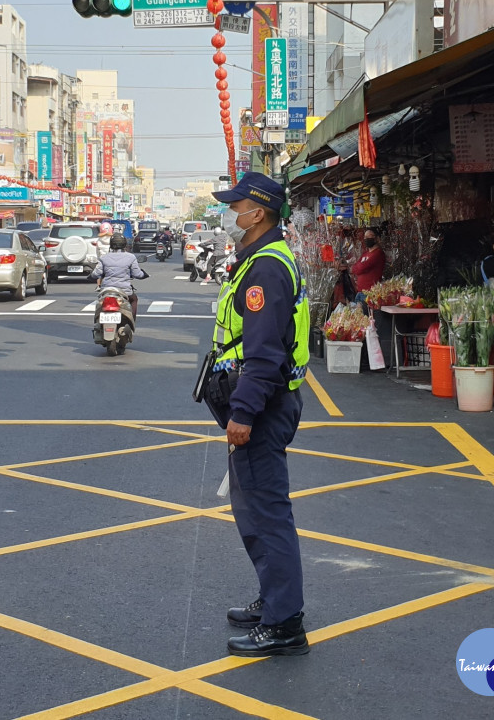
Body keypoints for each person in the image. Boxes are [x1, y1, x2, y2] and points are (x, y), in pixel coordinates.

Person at [207, 171, 311, 658]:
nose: (231, 214)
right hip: (264, 403)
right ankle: (274, 601)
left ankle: (285, 624)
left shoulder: (266, 268)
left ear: (260, 212)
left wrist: (243, 414)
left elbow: (265, 354)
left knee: (267, 516)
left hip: (263, 408)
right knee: (252, 512)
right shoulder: (260, 258)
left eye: (237, 206)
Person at [90, 234, 147, 318]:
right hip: (124, 290)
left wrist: (91, 276)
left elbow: (96, 274)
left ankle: (97, 325)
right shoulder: (131, 257)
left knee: (100, 304)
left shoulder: (104, 257)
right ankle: (132, 320)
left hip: (106, 290)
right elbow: (137, 274)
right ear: (124, 244)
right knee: (134, 299)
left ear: (111, 244)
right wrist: (144, 274)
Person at [350, 228, 386, 296]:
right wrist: (357, 267)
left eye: (369, 236)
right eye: (365, 237)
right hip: (360, 292)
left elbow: (361, 268)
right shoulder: (365, 253)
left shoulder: (378, 254)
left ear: (376, 238)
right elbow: (354, 268)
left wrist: (358, 267)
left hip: (370, 293)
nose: (366, 238)